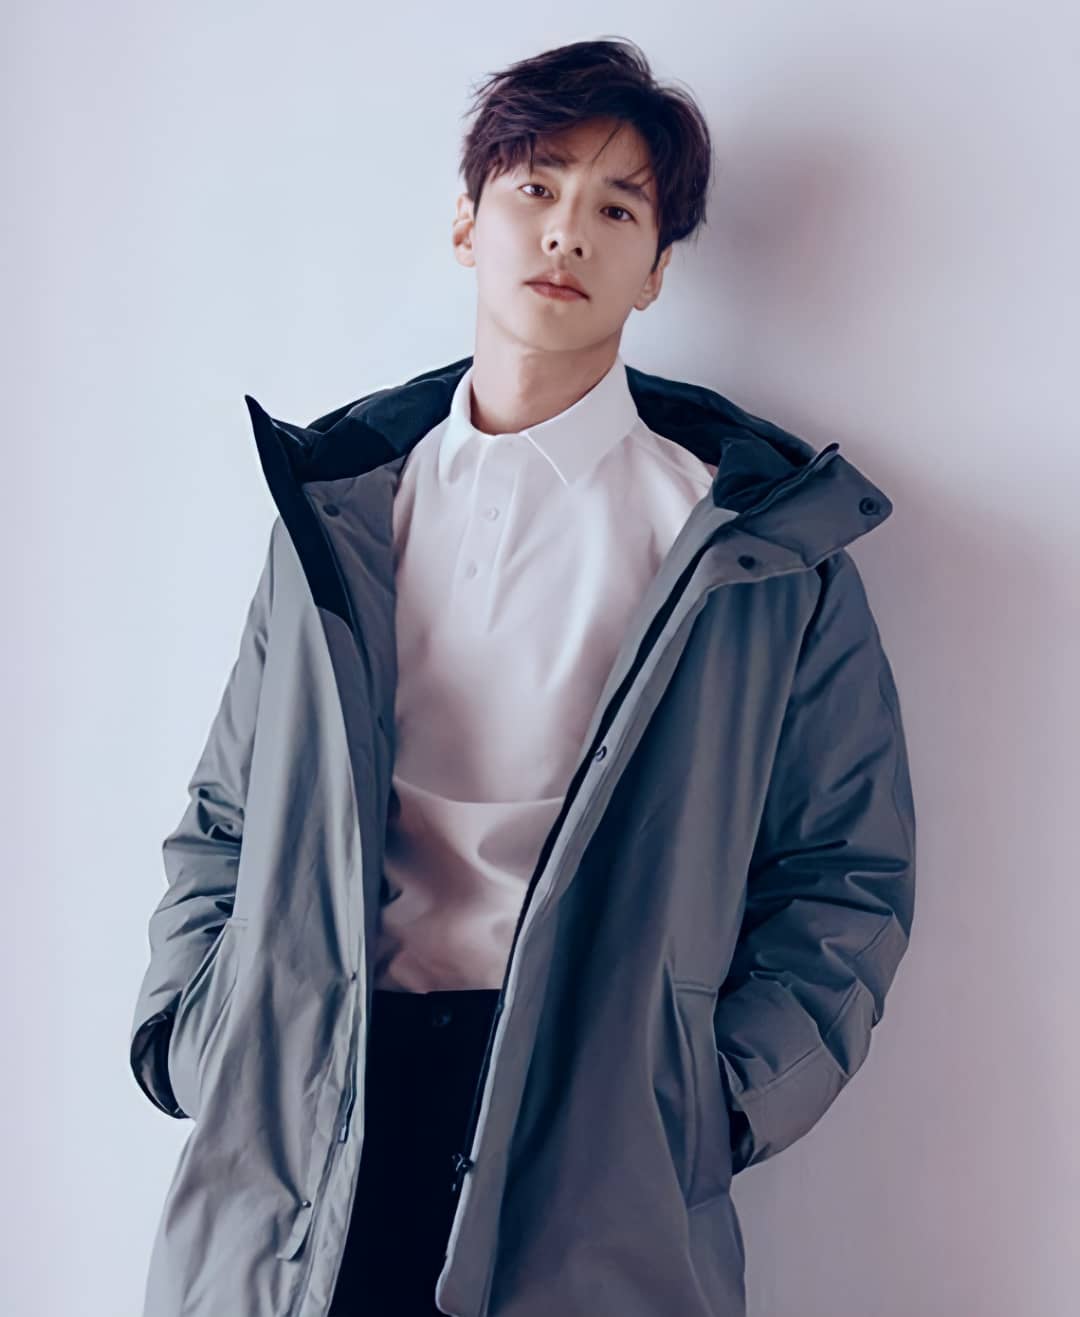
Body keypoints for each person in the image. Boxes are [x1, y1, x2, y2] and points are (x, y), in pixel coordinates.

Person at [130, 37, 916, 1317]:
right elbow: (226, 813)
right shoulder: (337, 516)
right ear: (467, 225)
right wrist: (195, 1030)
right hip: (314, 1101)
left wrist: (707, 1102)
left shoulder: (756, 549)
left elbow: (847, 871)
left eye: (617, 209)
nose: (567, 232)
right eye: (535, 187)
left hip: (592, 1127)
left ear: (656, 271)